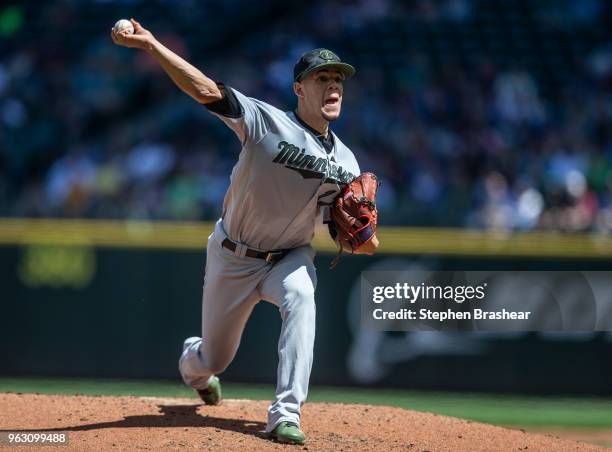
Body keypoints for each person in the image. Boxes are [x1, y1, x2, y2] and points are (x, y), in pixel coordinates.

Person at [111, 19, 379, 445]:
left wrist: (363, 240)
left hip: (290, 256)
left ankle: (286, 413)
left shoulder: (347, 162)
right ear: (299, 88)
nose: (333, 87)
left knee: (302, 297)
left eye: (338, 80)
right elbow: (204, 89)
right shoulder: (264, 121)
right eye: (322, 78)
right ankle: (193, 365)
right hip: (233, 255)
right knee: (214, 358)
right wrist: (153, 46)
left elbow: (344, 232)